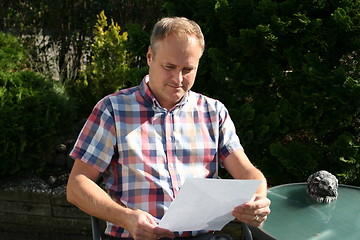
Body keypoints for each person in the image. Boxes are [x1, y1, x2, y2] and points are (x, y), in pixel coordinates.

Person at [67, 16, 271, 240]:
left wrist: (258, 199)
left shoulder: (213, 112)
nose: (178, 78)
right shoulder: (113, 110)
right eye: (169, 67)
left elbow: (246, 173)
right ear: (149, 56)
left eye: (187, 69)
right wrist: (125, 217)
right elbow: (77, 185)